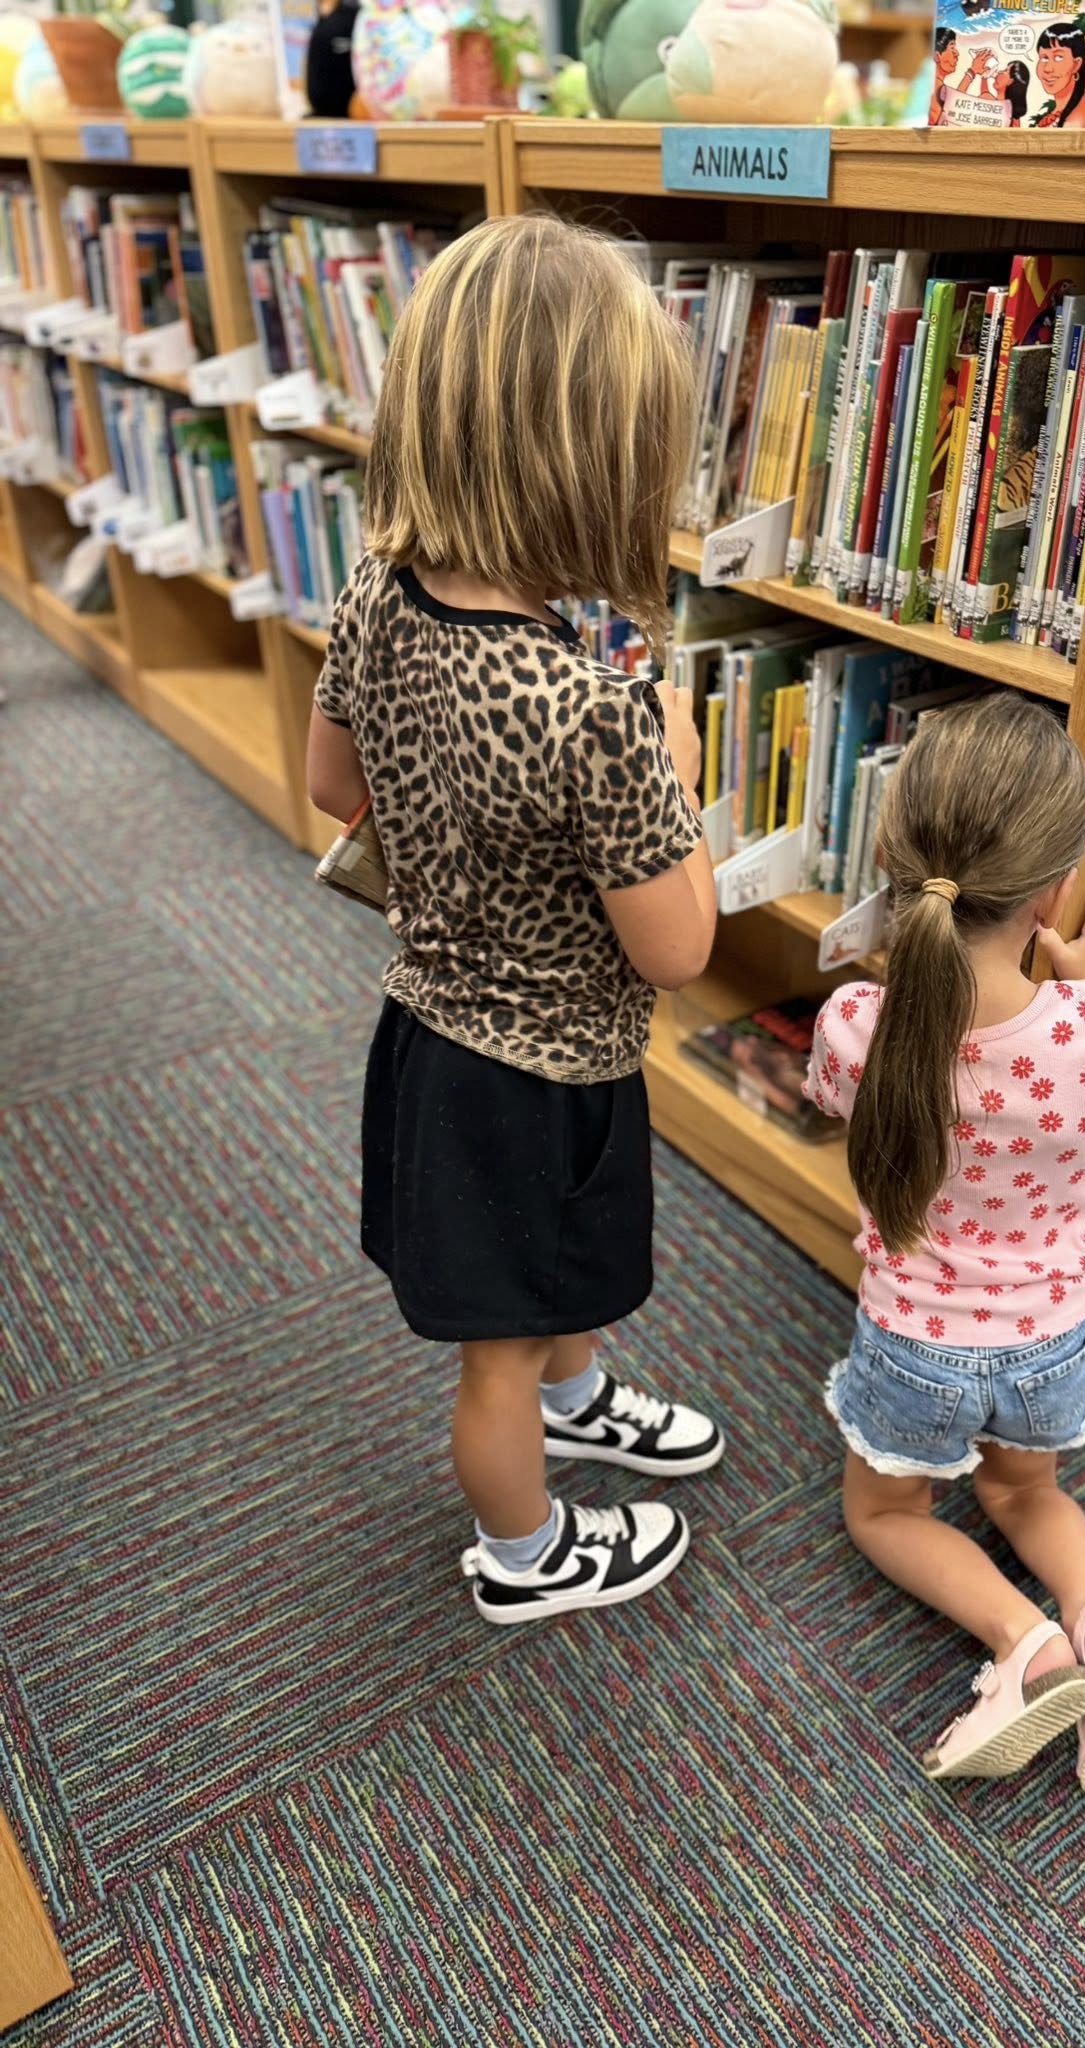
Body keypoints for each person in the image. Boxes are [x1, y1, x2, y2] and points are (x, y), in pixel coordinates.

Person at [306, 215, 724, 1629]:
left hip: (425, 1040)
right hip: (546, 1081)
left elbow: (328, 786)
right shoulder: (596, 712)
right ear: (598, 467)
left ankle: (585, 1396)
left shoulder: (376, 591)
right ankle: (526, 1553)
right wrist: (673, 771)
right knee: (494, 1352)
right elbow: (678, 949)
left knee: (555, 1282)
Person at [805, 693, 1085, 1786]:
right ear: (1056, 893)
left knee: (883, 1508)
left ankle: (1022, 1643)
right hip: (1051, 1342)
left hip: (916, 1344)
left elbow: (842, 1103)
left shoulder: (857, 1026)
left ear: (894, 864)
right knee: (1028, 1488)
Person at [1032, 23, 1085, 127]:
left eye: (1058, 57)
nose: (1048, 69)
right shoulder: (1052, 115)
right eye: (1044, 58)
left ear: (1076, 64)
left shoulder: (1078, 118)